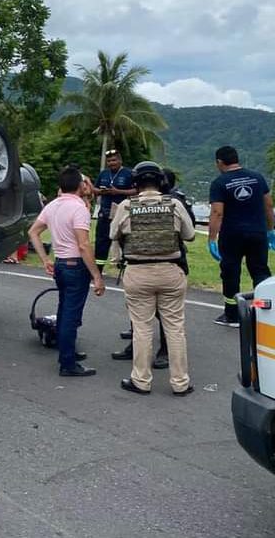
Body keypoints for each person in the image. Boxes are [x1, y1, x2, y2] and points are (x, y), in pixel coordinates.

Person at [109, 161, 196, 395]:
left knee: (142, 329)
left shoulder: (126, 206)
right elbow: (190, 235)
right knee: (175, 328)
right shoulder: (174, 204)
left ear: (135, 183)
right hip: (170, 271)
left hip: (138, 273)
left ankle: (141, 380)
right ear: (161, 182)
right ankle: (180, 382)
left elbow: (113, 233)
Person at [29, 166, 106, 377]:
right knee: (71, 315)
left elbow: (33, 232)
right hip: (75, 266)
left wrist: (45, 259)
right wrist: (97, 276)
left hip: (61, 264)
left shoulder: (53, 205)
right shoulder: (78, 208)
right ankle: (68, 363)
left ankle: (67, 351)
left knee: (64, 310)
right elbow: (83, 245)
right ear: (80, 185)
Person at [207, 146, 275, 327]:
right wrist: (270, 230)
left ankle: (232, 315)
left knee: (231, 273)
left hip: (232, 235)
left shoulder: (220, 183)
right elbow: (269, 205)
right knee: (260, 271)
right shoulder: (257, 178)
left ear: (219, 162)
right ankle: (263, 312)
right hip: (257, 233)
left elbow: (217, 213)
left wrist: (212, 238)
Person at [93, 149, 137, 271]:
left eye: (114, 160)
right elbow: (94, 189)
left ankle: (126, 268)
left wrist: (118, 191)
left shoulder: (128, 174)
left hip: (122, 213)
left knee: (125, 240)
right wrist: (101, 191)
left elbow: (136, 190)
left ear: (120, 161)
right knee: (101, 242)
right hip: (105, 213)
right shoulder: (104, 174)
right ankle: (98, 268)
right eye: (109, 161)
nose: (111, 163)